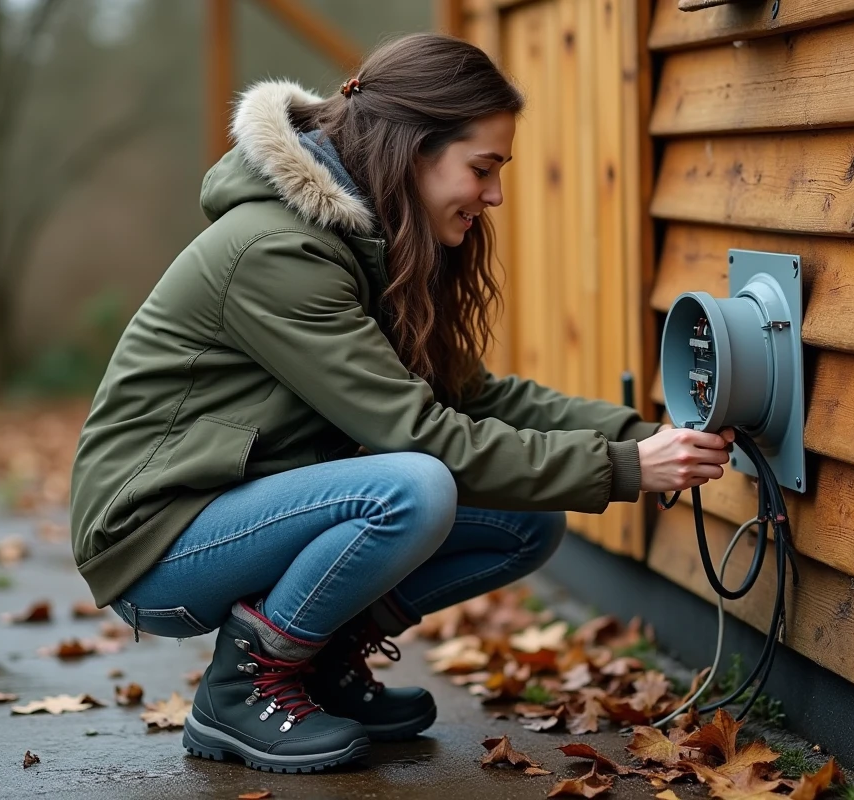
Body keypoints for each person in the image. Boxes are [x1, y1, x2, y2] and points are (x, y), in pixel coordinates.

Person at [67, 32, 732, 774]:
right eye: (482, 169)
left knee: (526, 520)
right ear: (415, 150)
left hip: (236, 506)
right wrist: (624, 468)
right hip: (157, 539)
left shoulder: (370, 243)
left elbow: (479, 398)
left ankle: (318, 663)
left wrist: (645, 437)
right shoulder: (278, 252)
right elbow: (422, 436)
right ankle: (243, 686)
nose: (495, 195)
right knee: (412, 486)